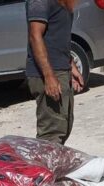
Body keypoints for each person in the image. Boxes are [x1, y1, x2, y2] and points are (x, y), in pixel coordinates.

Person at [26, 0, 85, 145]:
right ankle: (45, 167)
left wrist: (71, 66)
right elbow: (35, 36)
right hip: (48, 72)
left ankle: (54, 165)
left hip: (61, 70)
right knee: (51, 135)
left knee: (64, 127)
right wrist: (49, 76)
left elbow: (58, 38)